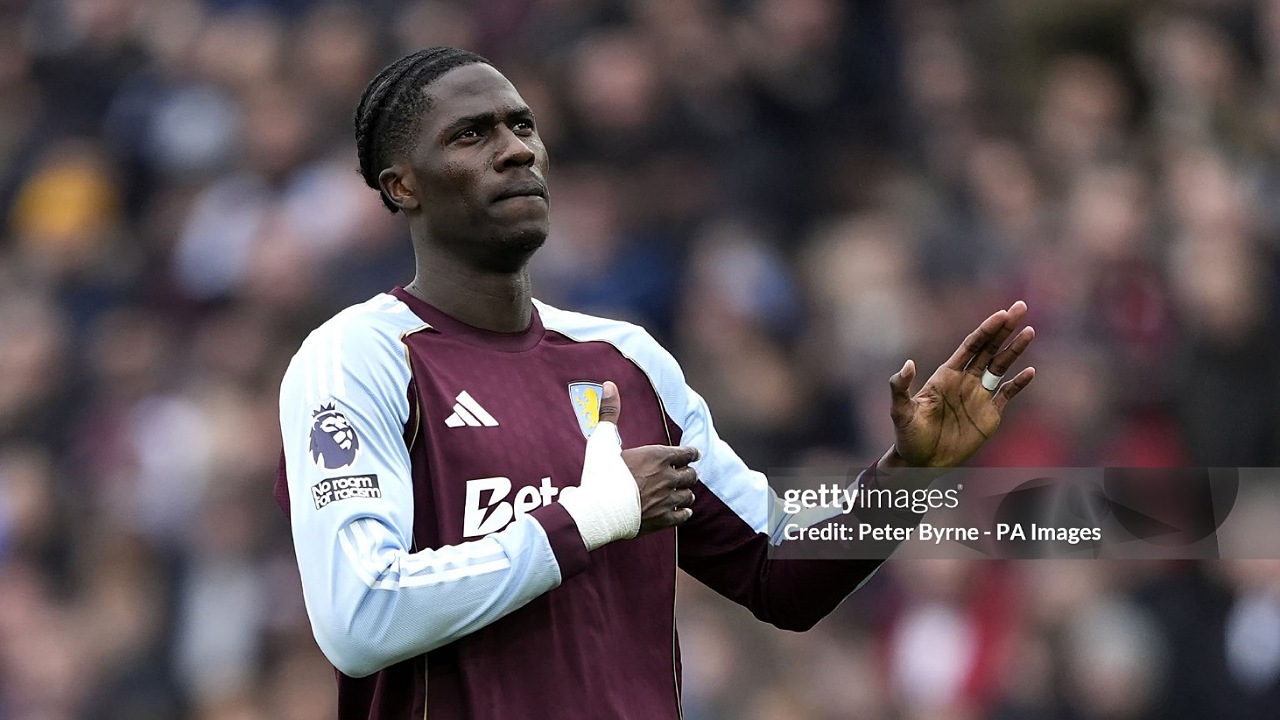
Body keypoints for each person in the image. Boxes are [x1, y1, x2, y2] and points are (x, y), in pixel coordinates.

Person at [274, 46, 1036, 720]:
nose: (515, 151)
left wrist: (908, 477)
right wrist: (587, 517)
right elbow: (361, 615)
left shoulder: (627, 360)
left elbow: (778, 575)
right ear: (402, 185)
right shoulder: (359, 357)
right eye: (472, 135)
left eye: (523, 126)